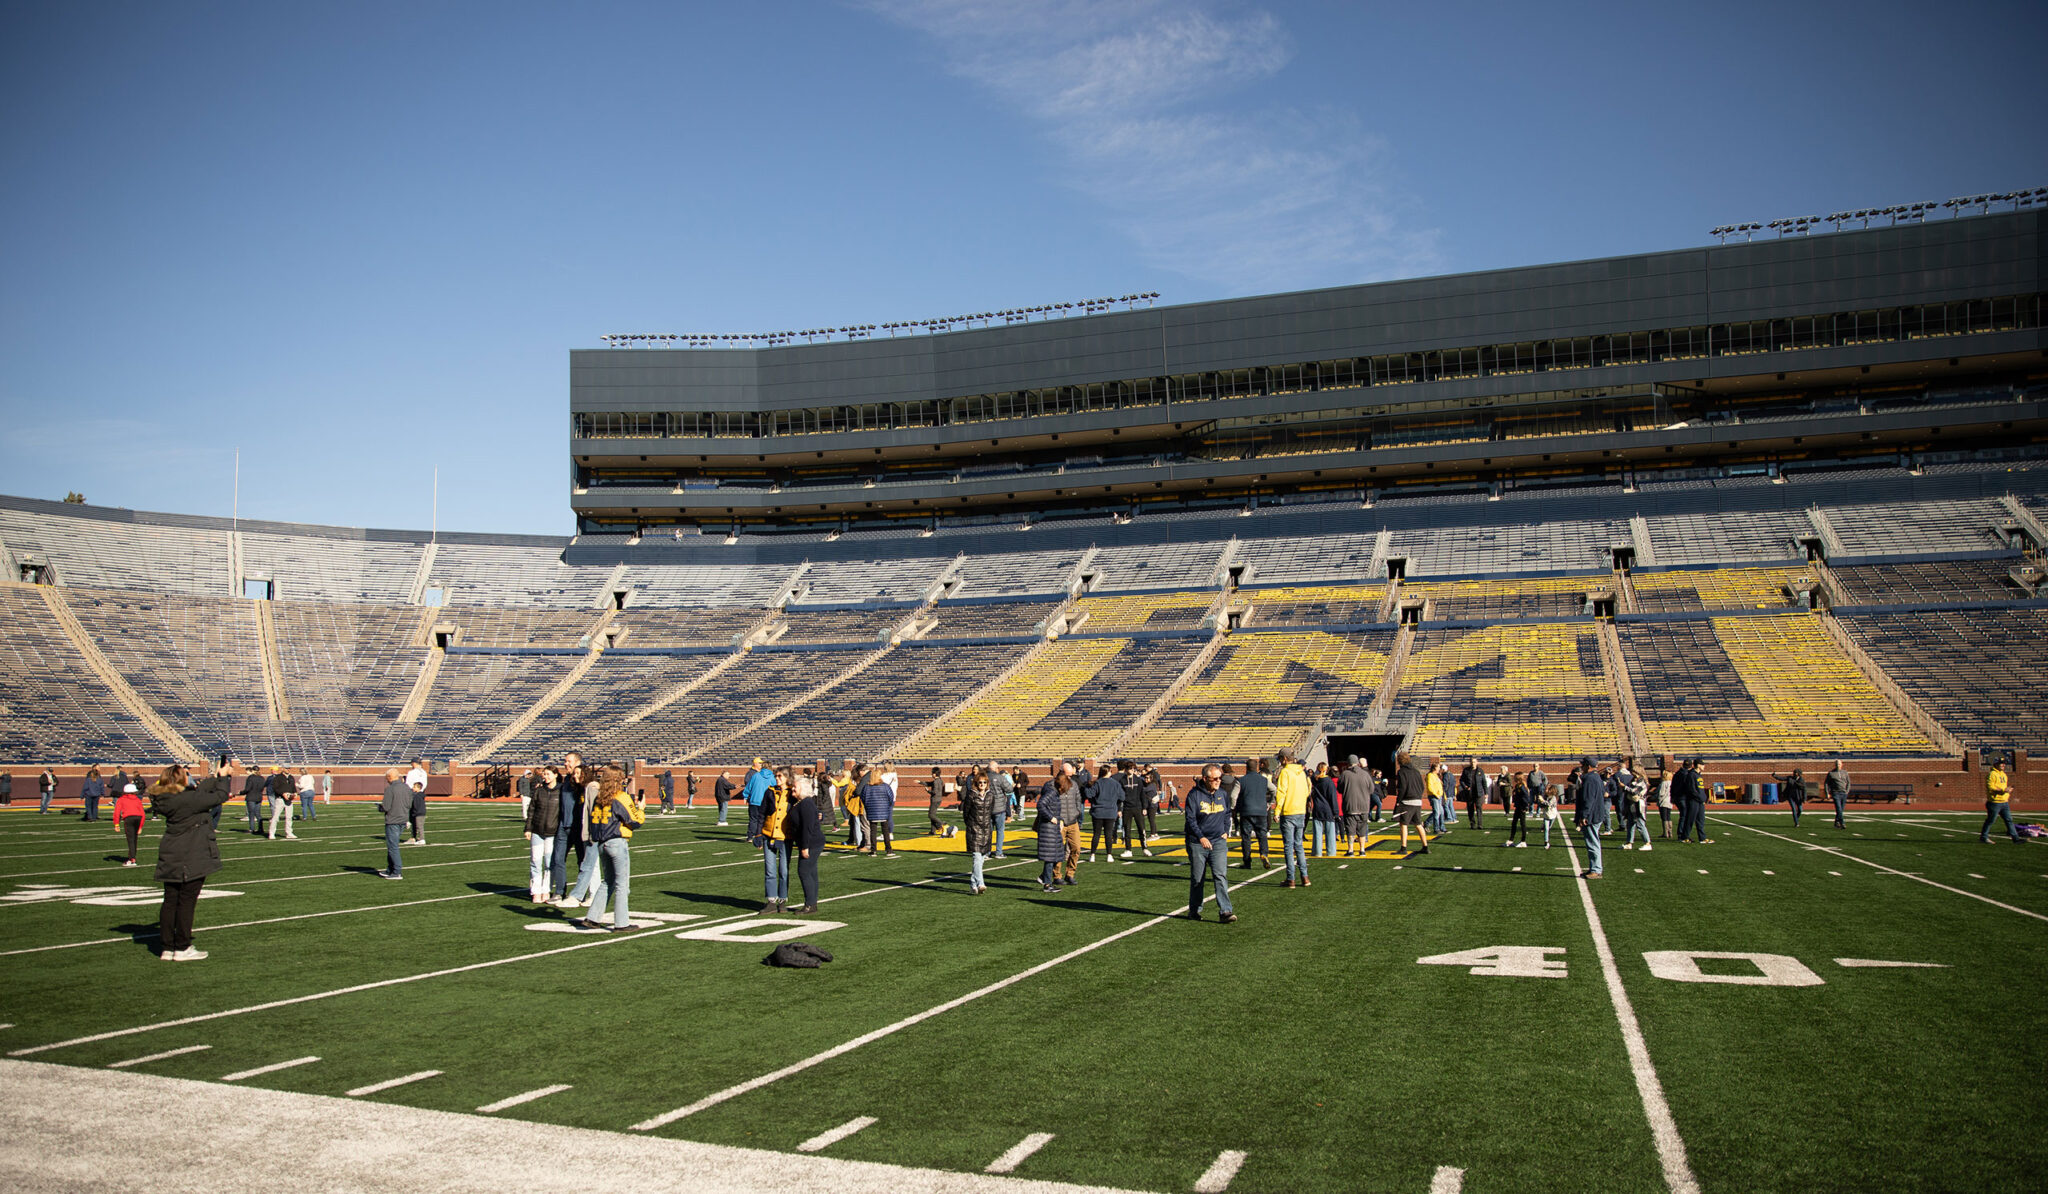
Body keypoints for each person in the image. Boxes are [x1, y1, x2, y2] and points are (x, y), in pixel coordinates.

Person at [151, 760, 237, 960]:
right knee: (187, 901)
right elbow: (219, 796)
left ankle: (167, 947)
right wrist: (224, 778)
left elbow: (198, 791)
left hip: (171, 852)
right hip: (191, 853)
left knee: (170, 900)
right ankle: (182, 947)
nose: (190, 775)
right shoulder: (188, 800)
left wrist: (216, 776)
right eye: (186, 773)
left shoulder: (165, 797)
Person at [580, 765, 646, 930]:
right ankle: (622, 923)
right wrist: (641, 809)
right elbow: (634, 821)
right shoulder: (621, 796)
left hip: (601, 843)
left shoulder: (599, 797)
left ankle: (592, 918)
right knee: (622, 884)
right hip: (616, 841)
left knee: (607, 881)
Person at [1184, 764, 1237, 923]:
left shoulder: (1222, 793)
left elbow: (1228, 813)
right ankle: (1194, 910)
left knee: (1220, 875)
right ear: (1205, 779)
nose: (1218, 781)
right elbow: (1190, 820)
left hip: (1218, 841)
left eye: (1220, 778)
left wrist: (1226, 830)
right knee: (1198, 878)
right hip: (1197, 843)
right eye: (1215, 779)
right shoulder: (1194, 795)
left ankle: (1225, 911)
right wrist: (1201, 837)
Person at [751, 765, 794, 913]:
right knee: (769, 870)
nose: (777, 779)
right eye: (776, 776)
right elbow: (761, 814)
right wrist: (757, 834)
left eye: (780, 776)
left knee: (784, 870)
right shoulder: (770, 792)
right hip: (768, 834)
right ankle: (770, 900)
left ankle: (782, 900)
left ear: (787, 778)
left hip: (785, 836)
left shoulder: (792, 792)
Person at [551, 755, 591, 905]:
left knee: (582, 861)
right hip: (563, 826)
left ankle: (582, 892)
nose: (565, 763)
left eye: (569, 761)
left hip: (579, 827)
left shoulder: (584, 783)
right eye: (565, 761)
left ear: (578, 763)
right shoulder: (565, 780)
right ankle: (559, 891)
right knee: (558, 859)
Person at [524, 764, 563, 903]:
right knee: (535, 861)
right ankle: (535, 891)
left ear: (555, 775)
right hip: (537, 831)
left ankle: (546, 890)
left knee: (549, 863)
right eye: (544, 774)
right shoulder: (539, 791)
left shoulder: (561, 791)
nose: (545, 777)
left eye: (548, 774)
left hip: (552, 833)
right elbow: (532, 810)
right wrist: (528, 828)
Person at [1272, 748, 1311, 888]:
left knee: (1289, 847)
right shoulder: (1301, 772)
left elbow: (1281, 792)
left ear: (1284, 759)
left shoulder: (1285, 772)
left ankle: (1291, 878)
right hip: (1300, 811)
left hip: (1288, 811)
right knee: (1299, 845)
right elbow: (1307, 790)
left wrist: (1277, 811)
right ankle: (1305, 876)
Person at [789, 769, 824, 911]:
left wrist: (805, 846)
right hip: (812, 842)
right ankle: (812, 903)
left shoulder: (806, 803)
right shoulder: (801, 802)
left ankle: (810, 904)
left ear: (802, 789)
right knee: (811, 872)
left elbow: (807, 828)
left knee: (804, 871)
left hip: (812, 843)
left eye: (795, 787)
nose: (792, 789)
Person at [959, 766, 996, 895]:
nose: (982, 784)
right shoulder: (971, 796)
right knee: (976, 857)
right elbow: (966, 813)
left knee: (981, 859)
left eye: (984, 782)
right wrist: (971, 825)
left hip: (986, 830)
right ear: (976, 783)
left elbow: (990, 812)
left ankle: (972, 884)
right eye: (980, 782)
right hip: (974, 830)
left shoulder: (990, 796)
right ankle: (981, 883)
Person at [1237, 756, 1273, 869]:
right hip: (1261, 811)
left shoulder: (1241, 780)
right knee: (1262, 835)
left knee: (1246, 837)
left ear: (1246, 768)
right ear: (1257, 767)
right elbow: (1274, 790)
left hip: (1246, 811)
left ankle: (1247, 861)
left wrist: (1234, 807)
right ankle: (1264, 854)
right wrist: (1269, 803)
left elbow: (1233, 796)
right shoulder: (1263, 780)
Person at [1575, 756, 1608, 879]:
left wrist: (1584, 815)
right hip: (1596, 813)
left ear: (1588, 766)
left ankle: (1596, 869)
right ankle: (1594, 868)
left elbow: (1588, 799)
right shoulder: (1595, 777)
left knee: (1592, 842)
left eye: (1583, 765)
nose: (1581, 767)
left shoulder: (1590, 779)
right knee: (1593, 842)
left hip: (1592, 815)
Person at [1033, 778, 1068, 893]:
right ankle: (1047, 884)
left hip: (1052, 829)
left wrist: (1060, 819)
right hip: (1048, 829)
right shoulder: (1052, 792)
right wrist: (1051, 818)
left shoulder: (1054, 793)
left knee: (1057, 855)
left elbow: (1054, 810)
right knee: (1051, 857)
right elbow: (1041, 804)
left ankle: (1044, 877)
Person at [1393, 751, 1430, 855]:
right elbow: (1422, 787)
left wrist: (1398, 801)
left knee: (1403, 824)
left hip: (1407, 802)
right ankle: (1425, 846)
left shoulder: (1401, 772)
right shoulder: (1416, 771)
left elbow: (1402, 788)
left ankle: (1403, 848)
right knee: (1418, 824)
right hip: (1418, 801)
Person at [377, 767, 410, 879]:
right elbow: (409, 804)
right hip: (403, 819)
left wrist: (380, 808)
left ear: (390, 777)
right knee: (392, 845)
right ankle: (390, 869)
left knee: (393, 846)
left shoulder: (390, 789)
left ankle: (396, 871)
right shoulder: (406, 787)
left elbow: (386, 807)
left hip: (393, 820)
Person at [1339, 756, 1374, 857]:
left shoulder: (1345, 774)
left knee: (1350, 829)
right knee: (1362, 828)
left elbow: (1340, 789)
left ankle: (1350, 850)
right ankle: (1362, 850)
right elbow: (1371, 790)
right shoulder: (1365, 774)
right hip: (1364, 806)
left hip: (1350, 806)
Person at [859, 764, 897, 857]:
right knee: (885, 831)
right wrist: (887, 807)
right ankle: (888, 850)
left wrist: (868, 806)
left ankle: (873, 850)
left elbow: (863, 798)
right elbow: (890, 797)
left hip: (871, 811)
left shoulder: (867, 787)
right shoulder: (885, 786)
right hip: (884, 811)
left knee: (873, 831)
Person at [1087, 765, 1123, 862]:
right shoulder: (1115, 784)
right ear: (1110, 772)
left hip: (1098, 812)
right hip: (1110, 812)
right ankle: (1109, 855)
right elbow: (1122, 797)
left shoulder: (1097, 783)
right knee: (1108, 834)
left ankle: (1092, 855)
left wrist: (1087, 787)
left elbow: (1089, 794)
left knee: (1096, 834)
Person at [1981, 758, 2020, 844]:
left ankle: (2016, 838)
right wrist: (2003, 791)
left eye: (2004, 763)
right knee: (1991, 820)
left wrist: (2008, 790)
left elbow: (2002, 787)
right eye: (2001, 763)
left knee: (2009, 820)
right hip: (1995, 802)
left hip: (2004, 802)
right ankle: (1984, 837)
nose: (2003, 765)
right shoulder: (1992, 774)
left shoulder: (2003, 774)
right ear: (1995, 764)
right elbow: (1991, 787)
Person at [1118, 762, 1151, 859]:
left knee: (1141, 829)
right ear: (1125, 769)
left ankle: (1144, 848)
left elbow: (1142, 795)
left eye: (1133, 768)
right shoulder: (1122, 781)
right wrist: (1119, 809)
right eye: (1129, 768)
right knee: (1126, 830)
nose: (1132, 770)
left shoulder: (1138, 780)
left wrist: (1144, 807)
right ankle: (1128, 850)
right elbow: (1120, 797)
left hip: (1138, 807)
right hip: (1127, 808)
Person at [1309, 762, 1341, 859]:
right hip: (1328, 810)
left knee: (1317, 833)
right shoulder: (1329, 782)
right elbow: (1332, 798)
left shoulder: (1315, 780)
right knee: (1330, 833)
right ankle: (1331, 851)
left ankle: (1317, 851)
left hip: (1317, 808)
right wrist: (1336, 812)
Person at [1618, 759, 1651, 851]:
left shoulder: (1642, 781)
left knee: (1640, 824)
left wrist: (1624, 786)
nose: (1631, 773)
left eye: (1633, 771)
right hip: (1632, 805)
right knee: (1630, 824)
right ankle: (1629, 843)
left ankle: (1647, 843)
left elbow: (1634, 791)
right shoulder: (1634, 780)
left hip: (1638, 805)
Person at [114, 780, 146, 866]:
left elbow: (117, 812)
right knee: (135, 839)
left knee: (130, 839)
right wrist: (140, 826)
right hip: (138, 818)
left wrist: (116, 824)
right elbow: (143, 814)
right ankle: (133, 857)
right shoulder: (137, 799)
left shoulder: (121, 799)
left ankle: (132, 859)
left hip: (129, 818)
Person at [989, 760, 1012, 858]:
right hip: (999, 807)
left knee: (988, 832)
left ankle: (986, 852)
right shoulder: (1000, 777)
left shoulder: (983, 777)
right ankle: (998, 852)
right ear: (996, 768)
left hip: (987, 807)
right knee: (1000, 830)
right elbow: (1009, 789)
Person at [267, 765, 297, 840]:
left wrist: (295, 793)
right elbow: (275, 788)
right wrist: (282, 793)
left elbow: (293, 787)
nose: (288, 769)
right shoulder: (278, 777)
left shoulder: (291, 777)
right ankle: (271, 833)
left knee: (289, 817)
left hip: (289, 799)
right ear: (282, 769)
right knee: (276, 817)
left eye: (289, 768)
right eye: (286, 768)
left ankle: (289, 833)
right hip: (280, 799)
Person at [1460, 757, 1489, 830]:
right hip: (1469, 793)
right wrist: (1465, 787)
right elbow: (1461, 780)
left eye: (1474, 762)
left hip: (1478, 793)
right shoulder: (1466, 770)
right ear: (1470, 763)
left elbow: (1484, 782)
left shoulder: (1480, 771)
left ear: (1477, 762)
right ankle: (1472, 824)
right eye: (1472, 762)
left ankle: (1480, 824)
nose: (1473, 763)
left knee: (1479, 808)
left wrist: (1486, 792)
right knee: (1470, 809)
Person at [1504, 770, 1531, 847]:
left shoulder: (1522, 787)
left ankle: (1523, 841)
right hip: (1518, 806)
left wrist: (1525, 807)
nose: (1513, 779)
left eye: (1515, 778)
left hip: (1522, 807)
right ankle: (1511, 840)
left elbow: (1526, 797)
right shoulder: (1517, 786)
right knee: (1514, 823)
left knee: (1522, 824)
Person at [1425, 758, 1449, 836]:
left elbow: (1440, 787)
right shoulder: (1430, 775)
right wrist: (1436, 794)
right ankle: (1436, 829)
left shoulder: (1436, 776)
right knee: (1437, 813)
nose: (1439, 769)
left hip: (1439, 796)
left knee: (1441, 812)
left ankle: (1442, 827)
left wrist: (1443, 796)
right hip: (1434, 796)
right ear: (1435, 768)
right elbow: (1430, 787)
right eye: (1438, 767)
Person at [1825, 760, 1851, 829]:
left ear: (1842, 764)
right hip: (1836, 793)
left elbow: (1848, 782)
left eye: (1839, 764)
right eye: (1836, 764)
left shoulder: (1845, 773)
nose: (1838, 765)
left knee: (1841, 809)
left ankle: (1836, 822)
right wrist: (1827, 793)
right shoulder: (1831, 773)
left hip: (1843, 793)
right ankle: (1842, 823)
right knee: (1838, 808)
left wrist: (1847, 791)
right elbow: (1826, 783)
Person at [408, 764, 430, 845]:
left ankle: (422, 839)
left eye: (414, 787)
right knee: (418, 826)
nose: (413, 788)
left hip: (419, 813)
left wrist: (414, 813)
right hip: (420, 813)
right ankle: (419, 838)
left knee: (419, 826)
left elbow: (416, 806)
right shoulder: (419, 795)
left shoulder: (417, 796)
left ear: (418, 788)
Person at [240, 765, 266, 833]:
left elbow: (248, 789)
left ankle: (252, 828)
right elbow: (262, 788)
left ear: (252, 770)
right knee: (258, 813)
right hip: (259, 797)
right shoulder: (262, 778)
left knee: (251, 814)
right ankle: (261, 828)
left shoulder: (251, 778)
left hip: (251, 797)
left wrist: (241, 792)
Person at [1655, 769, 1675, 838]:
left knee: (1664, 817)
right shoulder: (1671, 783)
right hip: (1669, 801)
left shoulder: (1664, 783)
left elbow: (1661, 793)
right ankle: (1670, 832)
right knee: (1668, 816)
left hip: (1663, 801)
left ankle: (1665, 833)